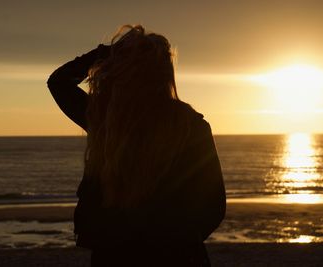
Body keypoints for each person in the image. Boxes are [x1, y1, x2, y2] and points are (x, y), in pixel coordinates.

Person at [47, 25, 226, 267]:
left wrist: (105, 53)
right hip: (178, 254)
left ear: (119, 71)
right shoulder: (191, 126)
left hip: (116, 253)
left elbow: (60, 82)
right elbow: (213, 205)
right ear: (164, 74)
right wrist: (180, 240)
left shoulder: (106, 121)